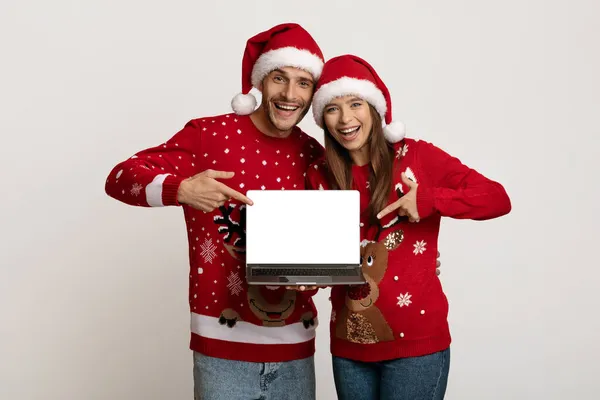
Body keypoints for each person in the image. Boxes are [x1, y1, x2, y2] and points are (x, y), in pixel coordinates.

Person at [105, 23, 327, 400]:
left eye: (303, 83)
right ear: (260, 82)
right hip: (221, 347)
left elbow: (337, 240)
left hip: (296, 349)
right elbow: (119, 178)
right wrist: (182, 189)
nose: (290, 94)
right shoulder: (209, 135)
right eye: (279, 78)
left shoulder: (313, 155)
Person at [306, 54, 512, 400]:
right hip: (348, 347)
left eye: (355, 103)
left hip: (416, 348)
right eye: (332, 108)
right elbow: (322, 261)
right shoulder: (319, 174)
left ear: (375, 109)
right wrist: (305, 277)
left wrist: (430, 200)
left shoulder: (416, 158)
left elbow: (496, 198)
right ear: (323, 119)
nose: (345, 119)